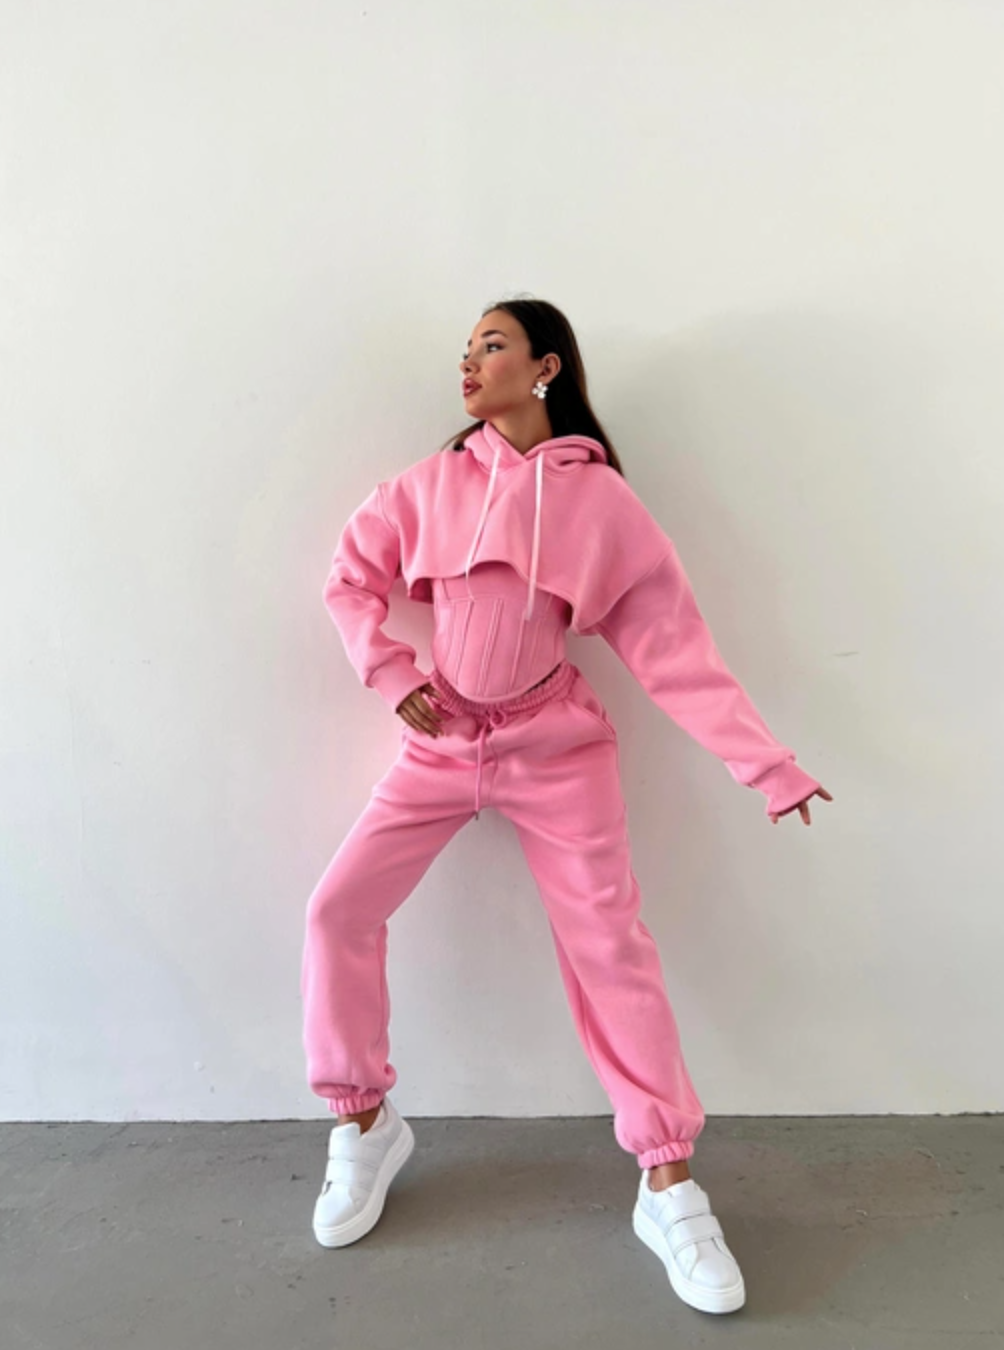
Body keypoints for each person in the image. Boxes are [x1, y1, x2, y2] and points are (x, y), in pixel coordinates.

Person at [300, 297, 832, 1315]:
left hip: (556, 746)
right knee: (337, 909)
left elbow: (673, 648)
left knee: (609, 946)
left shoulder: (600, 501)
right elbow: (349, 578)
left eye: (491, 345)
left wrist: (766, 766)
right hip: (441, 740)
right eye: (464, 349)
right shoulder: (428, 486)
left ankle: (668, 1183)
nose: (469, 361)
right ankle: (363, 1122)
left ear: (546, 366)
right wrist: (391, 672)